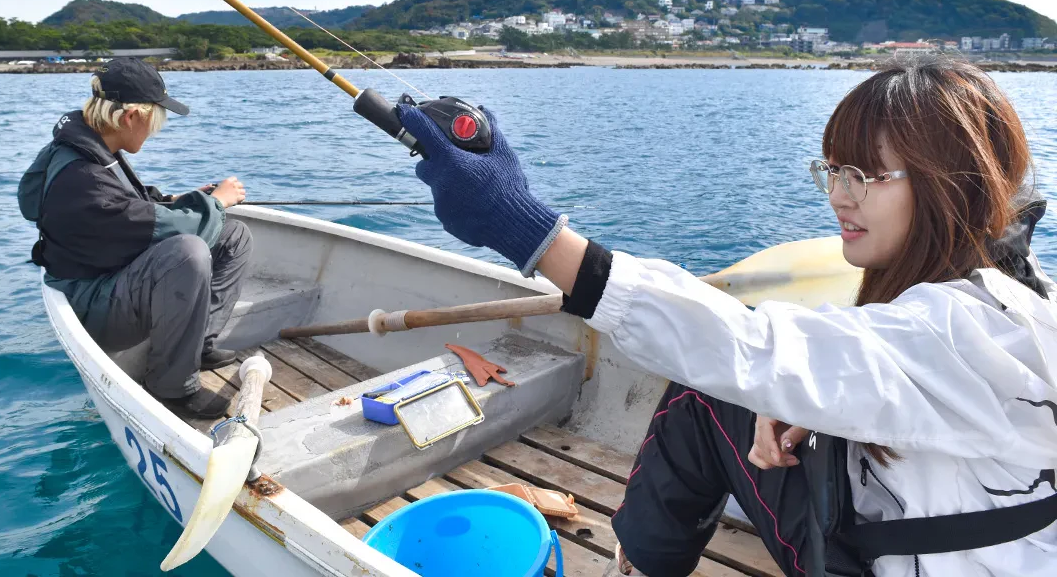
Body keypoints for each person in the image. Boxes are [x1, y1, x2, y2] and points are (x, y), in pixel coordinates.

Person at [396, 56, 1057, 577]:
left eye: (863, 175)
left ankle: (641, 565)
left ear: (951, 183)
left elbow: (741, 345)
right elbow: (908, 379)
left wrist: (525, 229)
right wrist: (814, 404)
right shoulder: (1019, 300)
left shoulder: (949, 334)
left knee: (705, 387)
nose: (838, 196)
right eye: (831, 170)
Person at [18, 59, 253, 419]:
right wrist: (217, 201)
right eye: (156, 119)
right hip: (91, 302)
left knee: (233, 235)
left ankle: (198, 344)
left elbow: (127, 203)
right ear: (130, 118)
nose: (156, 130)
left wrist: (180, 200)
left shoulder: (85, 146)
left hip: (109, 270)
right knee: (189, 252)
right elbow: (178, 230)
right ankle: (172, 386)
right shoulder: (84, 179)